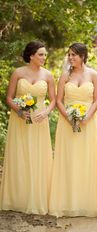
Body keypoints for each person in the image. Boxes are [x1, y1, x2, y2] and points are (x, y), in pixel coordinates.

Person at [0, 41, 56, 214]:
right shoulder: (18, 73)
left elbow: (53, 100)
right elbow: (9, 98)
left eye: (45, 54)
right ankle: (18, 198)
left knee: (38, 156)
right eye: (40, 54)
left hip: (39, 119)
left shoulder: (48, 75)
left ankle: (37, 197)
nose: (44, 57)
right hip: (20, 119)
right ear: (31, 55)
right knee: (20, 155)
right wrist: (18, 111)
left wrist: (46, 112)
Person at [49, 43, 97, 217]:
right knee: (69, 158)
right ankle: (67, 202)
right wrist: (69, 117)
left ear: (83, 56)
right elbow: (59, 100)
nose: (71, 58)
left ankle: (85, 202)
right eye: (69, 55)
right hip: (67, 123)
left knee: (86, 158)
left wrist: (86, 117)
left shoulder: (94, 75)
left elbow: (96, 100)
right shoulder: (64, 76)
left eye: (74, 55)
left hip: (88, 122)